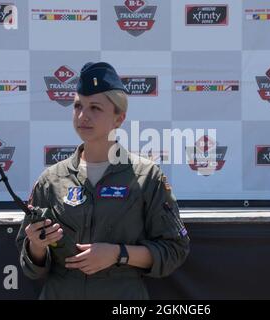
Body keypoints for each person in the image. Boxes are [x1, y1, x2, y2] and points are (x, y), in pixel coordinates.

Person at [16, 62, 190, 299]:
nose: (82, 116)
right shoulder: (51, 179)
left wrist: (117, 253)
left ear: (119, 118)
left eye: (95, 108)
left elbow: (175, 249)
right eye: (78, 106)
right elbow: (32, 268)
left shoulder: (146, 177)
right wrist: (37, 245)